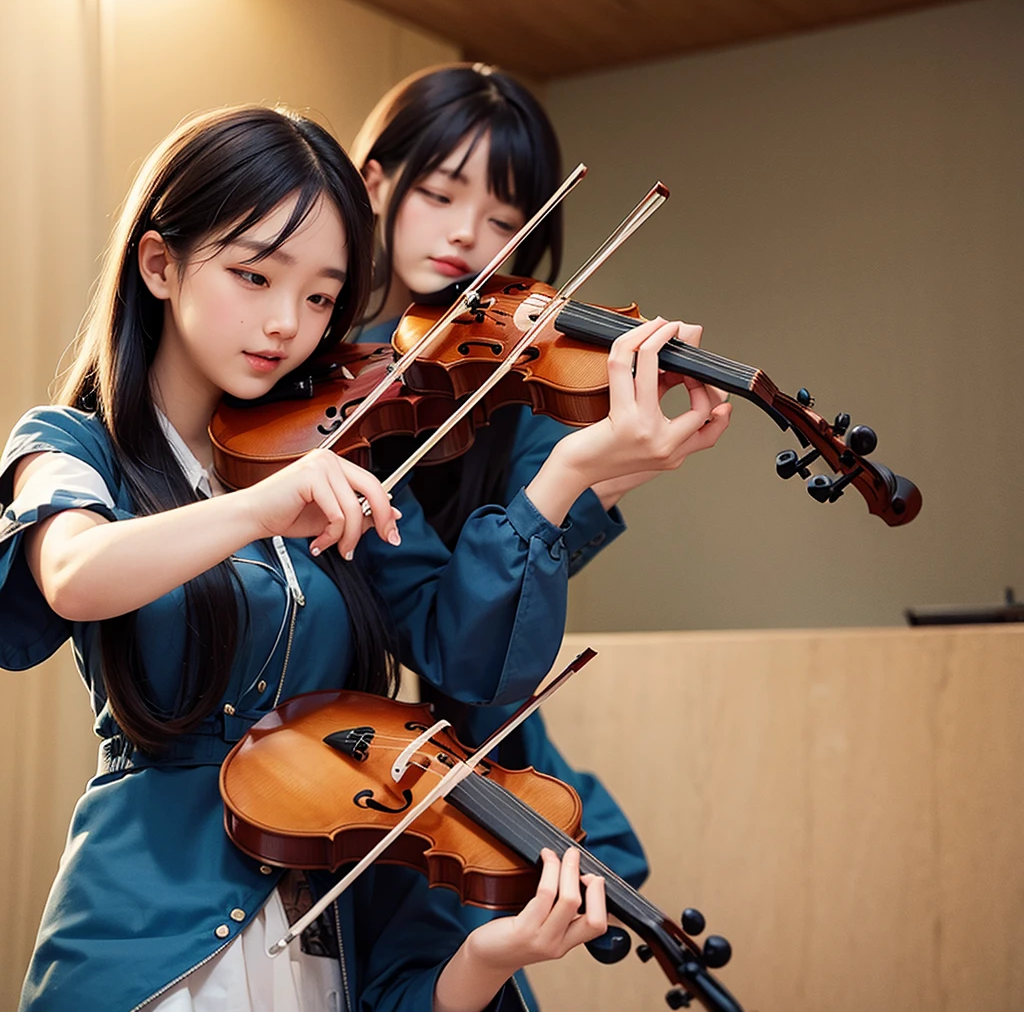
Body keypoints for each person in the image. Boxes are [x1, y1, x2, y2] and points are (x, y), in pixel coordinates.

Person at [0, 104, 726, 1011]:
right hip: (140, 936)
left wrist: (575, 468)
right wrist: (262, 504)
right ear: (159, 263)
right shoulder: (74, 444)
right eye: (254, 276)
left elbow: (461, 652)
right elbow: (73, 575)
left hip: (324, 939)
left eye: (317, 297)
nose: (285, 325)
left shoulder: (337, 458)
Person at [348, 63, 732, 1007]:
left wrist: (590, 482)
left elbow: (486, 662)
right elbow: (443, 633)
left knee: (567, 890)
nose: (464, 235)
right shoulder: (327, 386)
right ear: (374, 186)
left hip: (460, 744)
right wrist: (568, 484)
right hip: (347, 755)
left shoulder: (513, 399)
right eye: (438, 194)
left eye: (502, 218)